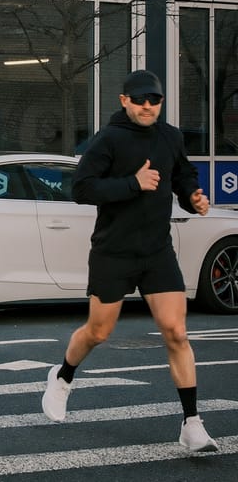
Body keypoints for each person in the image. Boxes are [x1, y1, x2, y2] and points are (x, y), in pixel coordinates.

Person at [41, 69, 218, 452]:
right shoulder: (108, 140)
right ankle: (63, 376)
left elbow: (184, 175)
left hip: (156, 250)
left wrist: (194, 198)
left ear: (161, 102)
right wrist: (132, 185)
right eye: (139, 100)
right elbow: (81, 189)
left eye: (153, 100)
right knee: (98, 332)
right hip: (113, 251)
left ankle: (192, 423)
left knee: (176, 332)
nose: (147, 106)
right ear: (124, 100)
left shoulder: (170, 137)